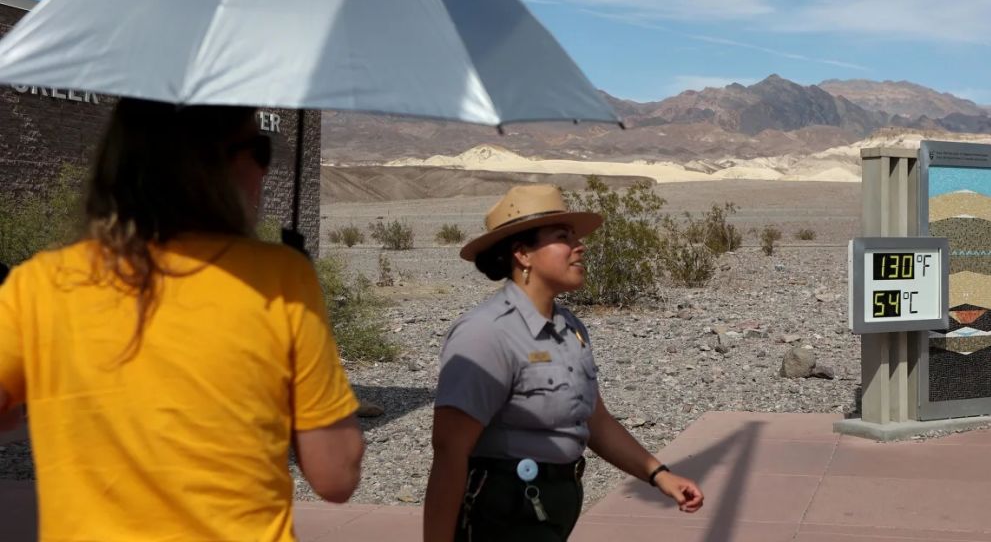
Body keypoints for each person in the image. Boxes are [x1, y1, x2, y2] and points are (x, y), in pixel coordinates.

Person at [0, 99, 364, 541]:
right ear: (216, 165)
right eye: (261, 152)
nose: (266, 172)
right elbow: (335, 474)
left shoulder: (39, 283)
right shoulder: (281, 277)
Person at [424, 184, 704, 542]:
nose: (579, 246)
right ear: (523, 254)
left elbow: (595, 421)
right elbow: (449, 452)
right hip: (503, 516)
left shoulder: (570, 328)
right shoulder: (485, 334)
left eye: (575, 236)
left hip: (550, 510)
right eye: (562, 236)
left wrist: (660, 475)